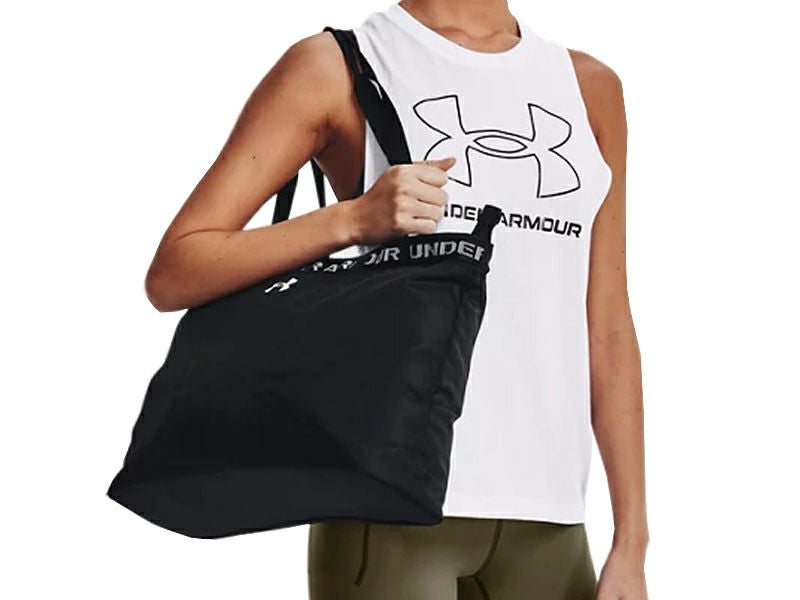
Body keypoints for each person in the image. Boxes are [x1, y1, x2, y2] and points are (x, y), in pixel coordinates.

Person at [143, 1, 647, 598]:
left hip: (551, 517)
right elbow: (176, 269)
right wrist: (353, 219)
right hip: (387, 508)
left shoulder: (589, 88)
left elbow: (607, 324)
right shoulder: (339, 64)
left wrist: (632, 540)